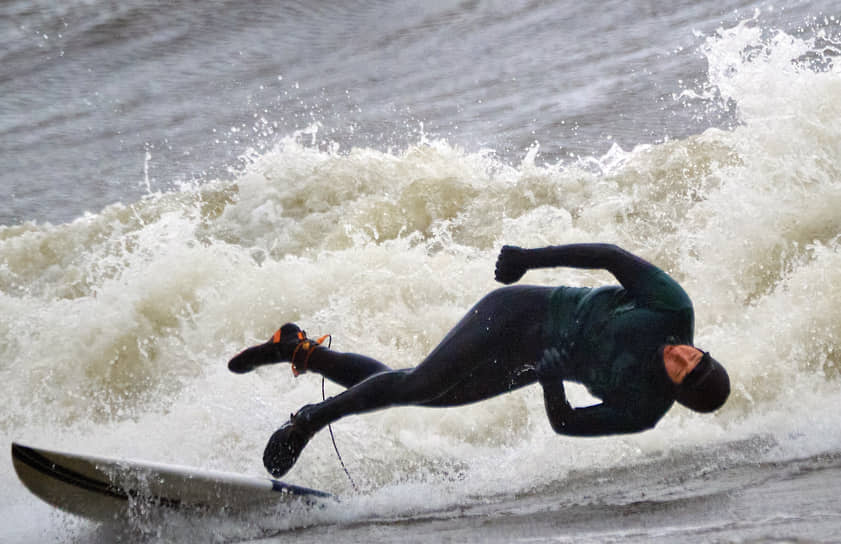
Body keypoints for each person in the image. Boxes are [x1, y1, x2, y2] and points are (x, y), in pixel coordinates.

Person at [228, 243, 730, 478]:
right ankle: (307, 422)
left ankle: (296, 349)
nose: (682, 353)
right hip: (517, 312)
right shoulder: (671, 308)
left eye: (682, 368)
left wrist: (551, 382)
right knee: (419, 385)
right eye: (694, 353)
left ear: (675, 391)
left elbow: (567, 425)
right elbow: (611, 256)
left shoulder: (643, 409)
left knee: (417, 389)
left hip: (531, 365)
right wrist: (529, 259)